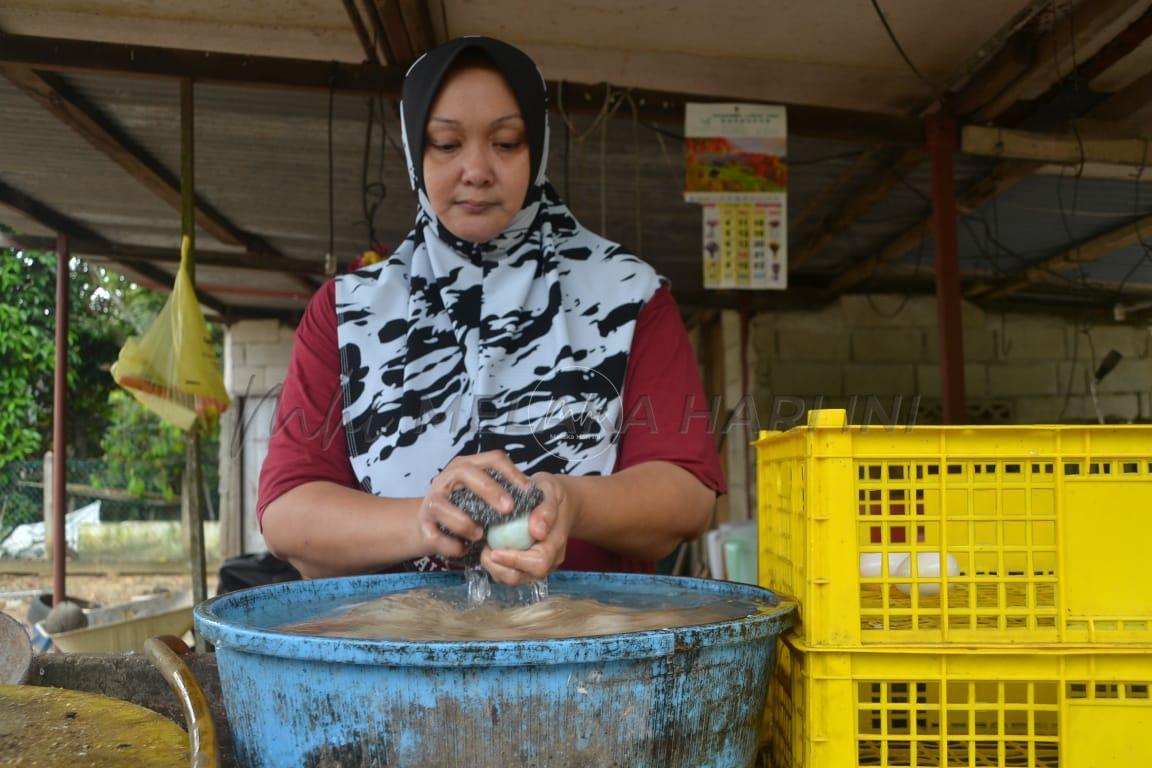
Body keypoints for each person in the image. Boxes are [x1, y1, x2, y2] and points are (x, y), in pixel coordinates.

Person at [258, 37, 724, 585]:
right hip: (392, 638)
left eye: (505, 143)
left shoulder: (628, 296)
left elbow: (687, 494)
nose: (476, 170)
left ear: (537, 148)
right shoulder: (348, 313)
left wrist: (571, 502)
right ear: (414, 151)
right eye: (446, 144)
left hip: (590, 635)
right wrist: (423, 520)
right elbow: (287, 511)